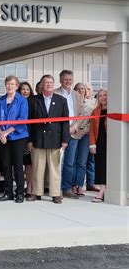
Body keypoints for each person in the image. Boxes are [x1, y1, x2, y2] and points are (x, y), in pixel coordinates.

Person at [27, 74, 69, 204]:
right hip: (38, 139)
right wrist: (29, 140)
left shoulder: (61, 100)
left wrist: (64, 140)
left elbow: (65, 122)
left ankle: (55, 194)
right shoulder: (33, 100)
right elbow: (28, 122)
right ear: (41, 85)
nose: (49, 84)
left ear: (54, 84)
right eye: (46, 82)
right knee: (38, 168)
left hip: (55, 139)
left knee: (54, 169)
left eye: (51, 82)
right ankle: (36, 193)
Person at [0, 76, 29, 203]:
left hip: (17, 137)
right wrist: (0, 134)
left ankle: (19, 192)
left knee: (18, 165)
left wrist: (6, 132)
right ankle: (8, 192)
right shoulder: (0, 100)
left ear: (16, 85)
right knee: (6, 165)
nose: (10, 86)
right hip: (3, 137)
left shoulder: (22, 100)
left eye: (12, 84)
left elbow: (22, 119)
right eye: (8, 84)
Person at [55, 70, 84, 199]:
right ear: (60, 80)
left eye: (70, 79)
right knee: (57, 162)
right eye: (65, 79)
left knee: (70, 162)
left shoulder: (77, 95)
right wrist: (64, 128)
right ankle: (56, 189)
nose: (68, 82)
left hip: (74, 132)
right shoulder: (55, 93)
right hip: (59, 133)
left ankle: (66, 188)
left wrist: (74, 127)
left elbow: (82, 114)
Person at [70, 82, 96, 196]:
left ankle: (80, 185)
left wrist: (83, 130)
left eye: (83, 89)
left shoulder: (92, 103)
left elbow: (93, 120)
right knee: (72, 161)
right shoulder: (72, 101)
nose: (81, 90)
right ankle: (72, 185)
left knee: (82, 161)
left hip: (85, 134)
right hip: (73, 133)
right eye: (78, 88)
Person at [89, 89, 108, 203]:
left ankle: (106, 190)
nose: (103, 97)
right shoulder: (95, 111)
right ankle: (101, 191)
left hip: (113, 142)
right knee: (101, 166)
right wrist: (92, 144)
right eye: (100, 96)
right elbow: (91, 130)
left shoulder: (115, 109)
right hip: (99, 142)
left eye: (105, 95)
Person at [17, 82, 35, 198]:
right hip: (17, 137)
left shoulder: (33, 103)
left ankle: (29, 188)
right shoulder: (16, 102)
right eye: (23, 89)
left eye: (27, 89)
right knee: (18, 164)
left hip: (29, 137)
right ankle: (19, 188)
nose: (25, 91)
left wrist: (30, 140)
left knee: (29, 165)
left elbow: (33, 125)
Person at [84, 83, 100, 192]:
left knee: (91, 160)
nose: (87, 91)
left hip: (94, 134)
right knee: (82, 160)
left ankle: (91, 182)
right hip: (83, 134)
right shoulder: (81, 102)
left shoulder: (96, 103)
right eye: (85, 89)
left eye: (89, 89)